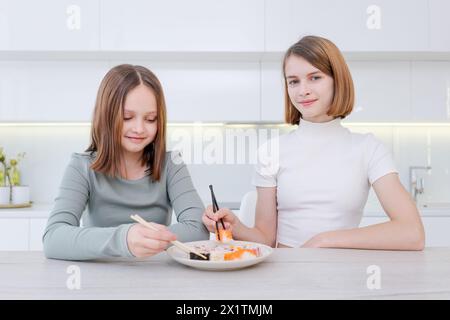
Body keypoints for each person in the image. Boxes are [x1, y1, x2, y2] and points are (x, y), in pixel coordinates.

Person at [203, 36, 425, 250]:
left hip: (340, 276)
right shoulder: (271, 151)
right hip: (285, 276)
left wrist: (325, 240)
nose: (303, 90)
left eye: (315, 77)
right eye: (293, 82)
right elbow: (265, 240)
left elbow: (411, 233)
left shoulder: (368, 149)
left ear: (337, 80)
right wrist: (236, 225)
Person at [43, 64, 209, 260]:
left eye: (150, 119)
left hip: (155, 276)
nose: (139, 128)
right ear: (106, 116)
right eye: (127, 117)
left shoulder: (171, 164)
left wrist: (147, 240)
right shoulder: (82, 167)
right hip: (100, 278)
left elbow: (198, 229)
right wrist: (124, 239)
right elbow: (53, 239)